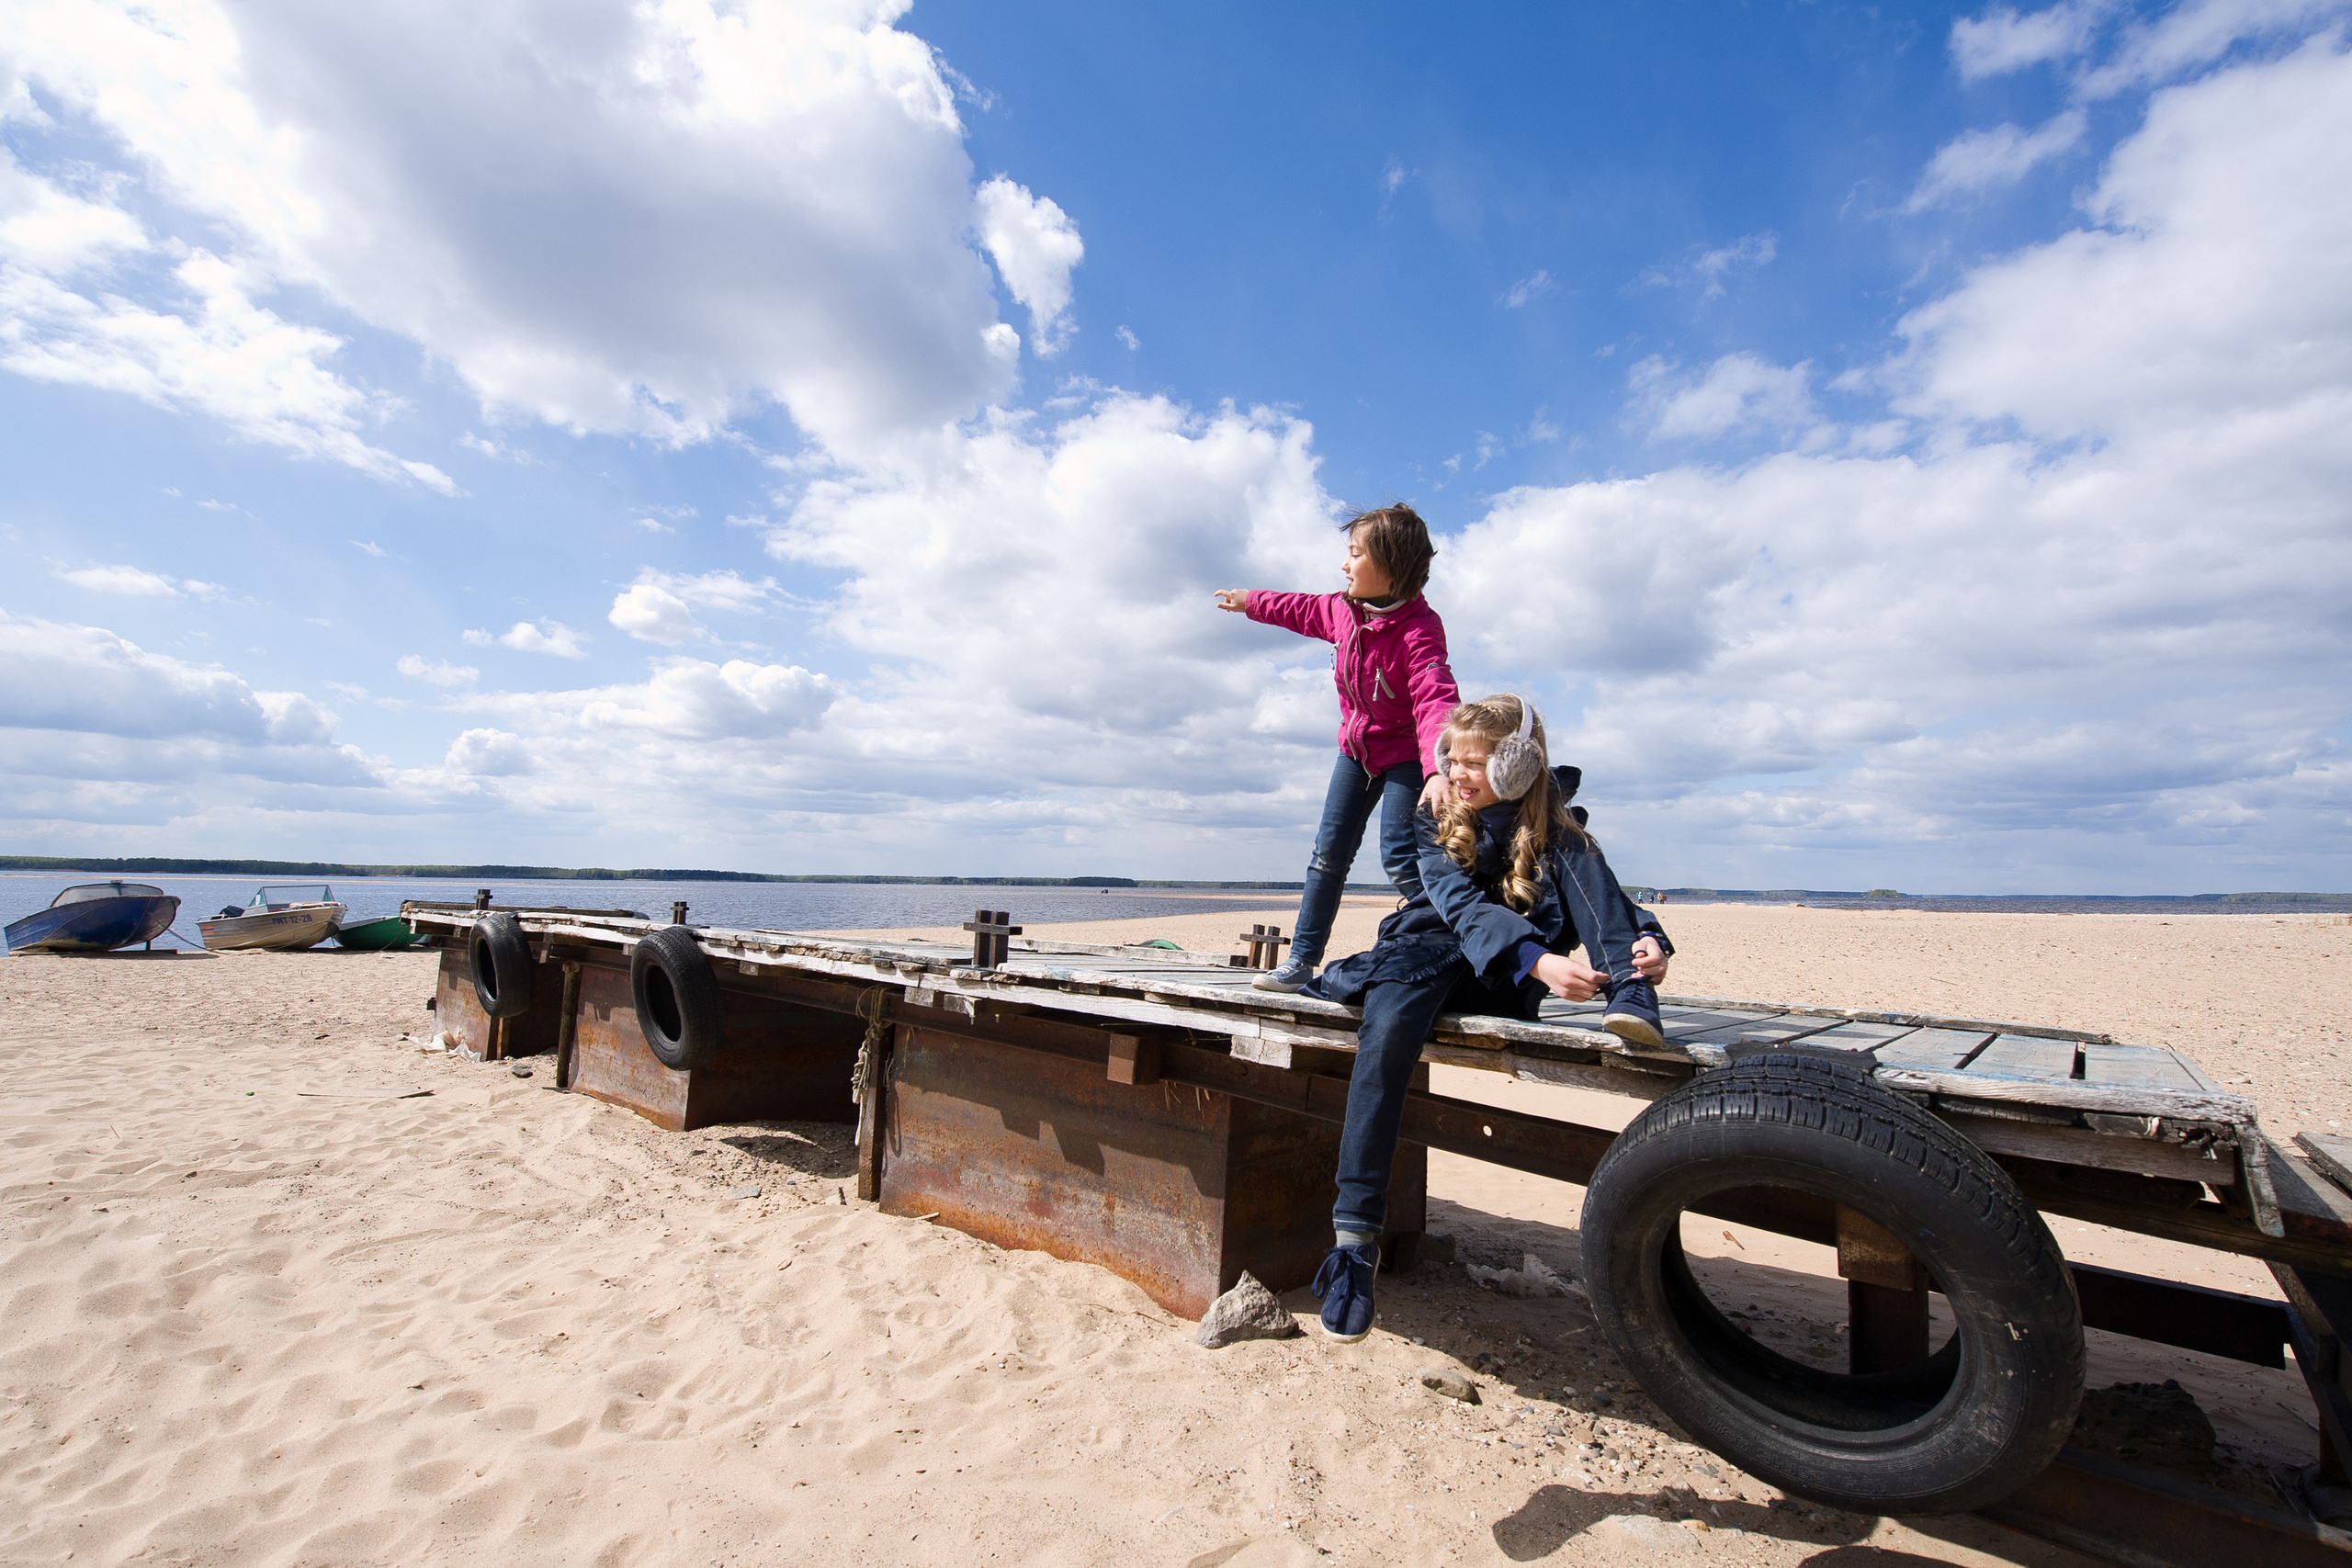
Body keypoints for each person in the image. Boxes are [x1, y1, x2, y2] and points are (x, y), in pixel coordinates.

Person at [1299, 694, 1673, 1341]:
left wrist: (1651, 938)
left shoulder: (1557, 831)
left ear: (1519, 763)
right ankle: (1355, 1243)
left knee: (1581, 852)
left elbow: (1599, 893)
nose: (1459, 771)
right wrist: (1540, 963)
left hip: (1497, 978)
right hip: (1429, 953)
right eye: (1454, 758)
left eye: (1476, 761)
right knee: (1386, 1034)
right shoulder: (1434, 815)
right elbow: (1460, 907)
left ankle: (1634, 993)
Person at [1214, 504, 1459, 993]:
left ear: (1392, 567)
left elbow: (1436, 697)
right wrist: (1251, 601)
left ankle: (1455, 934)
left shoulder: (1419, 631)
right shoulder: (1343, 610)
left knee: (1399, 856)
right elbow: (1298, 608)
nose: (1344, 565)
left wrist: (1438, 768)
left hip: (1408, 758)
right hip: (1355, 754)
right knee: (1327, 856)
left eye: (1354, 555)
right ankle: (1301, 961)